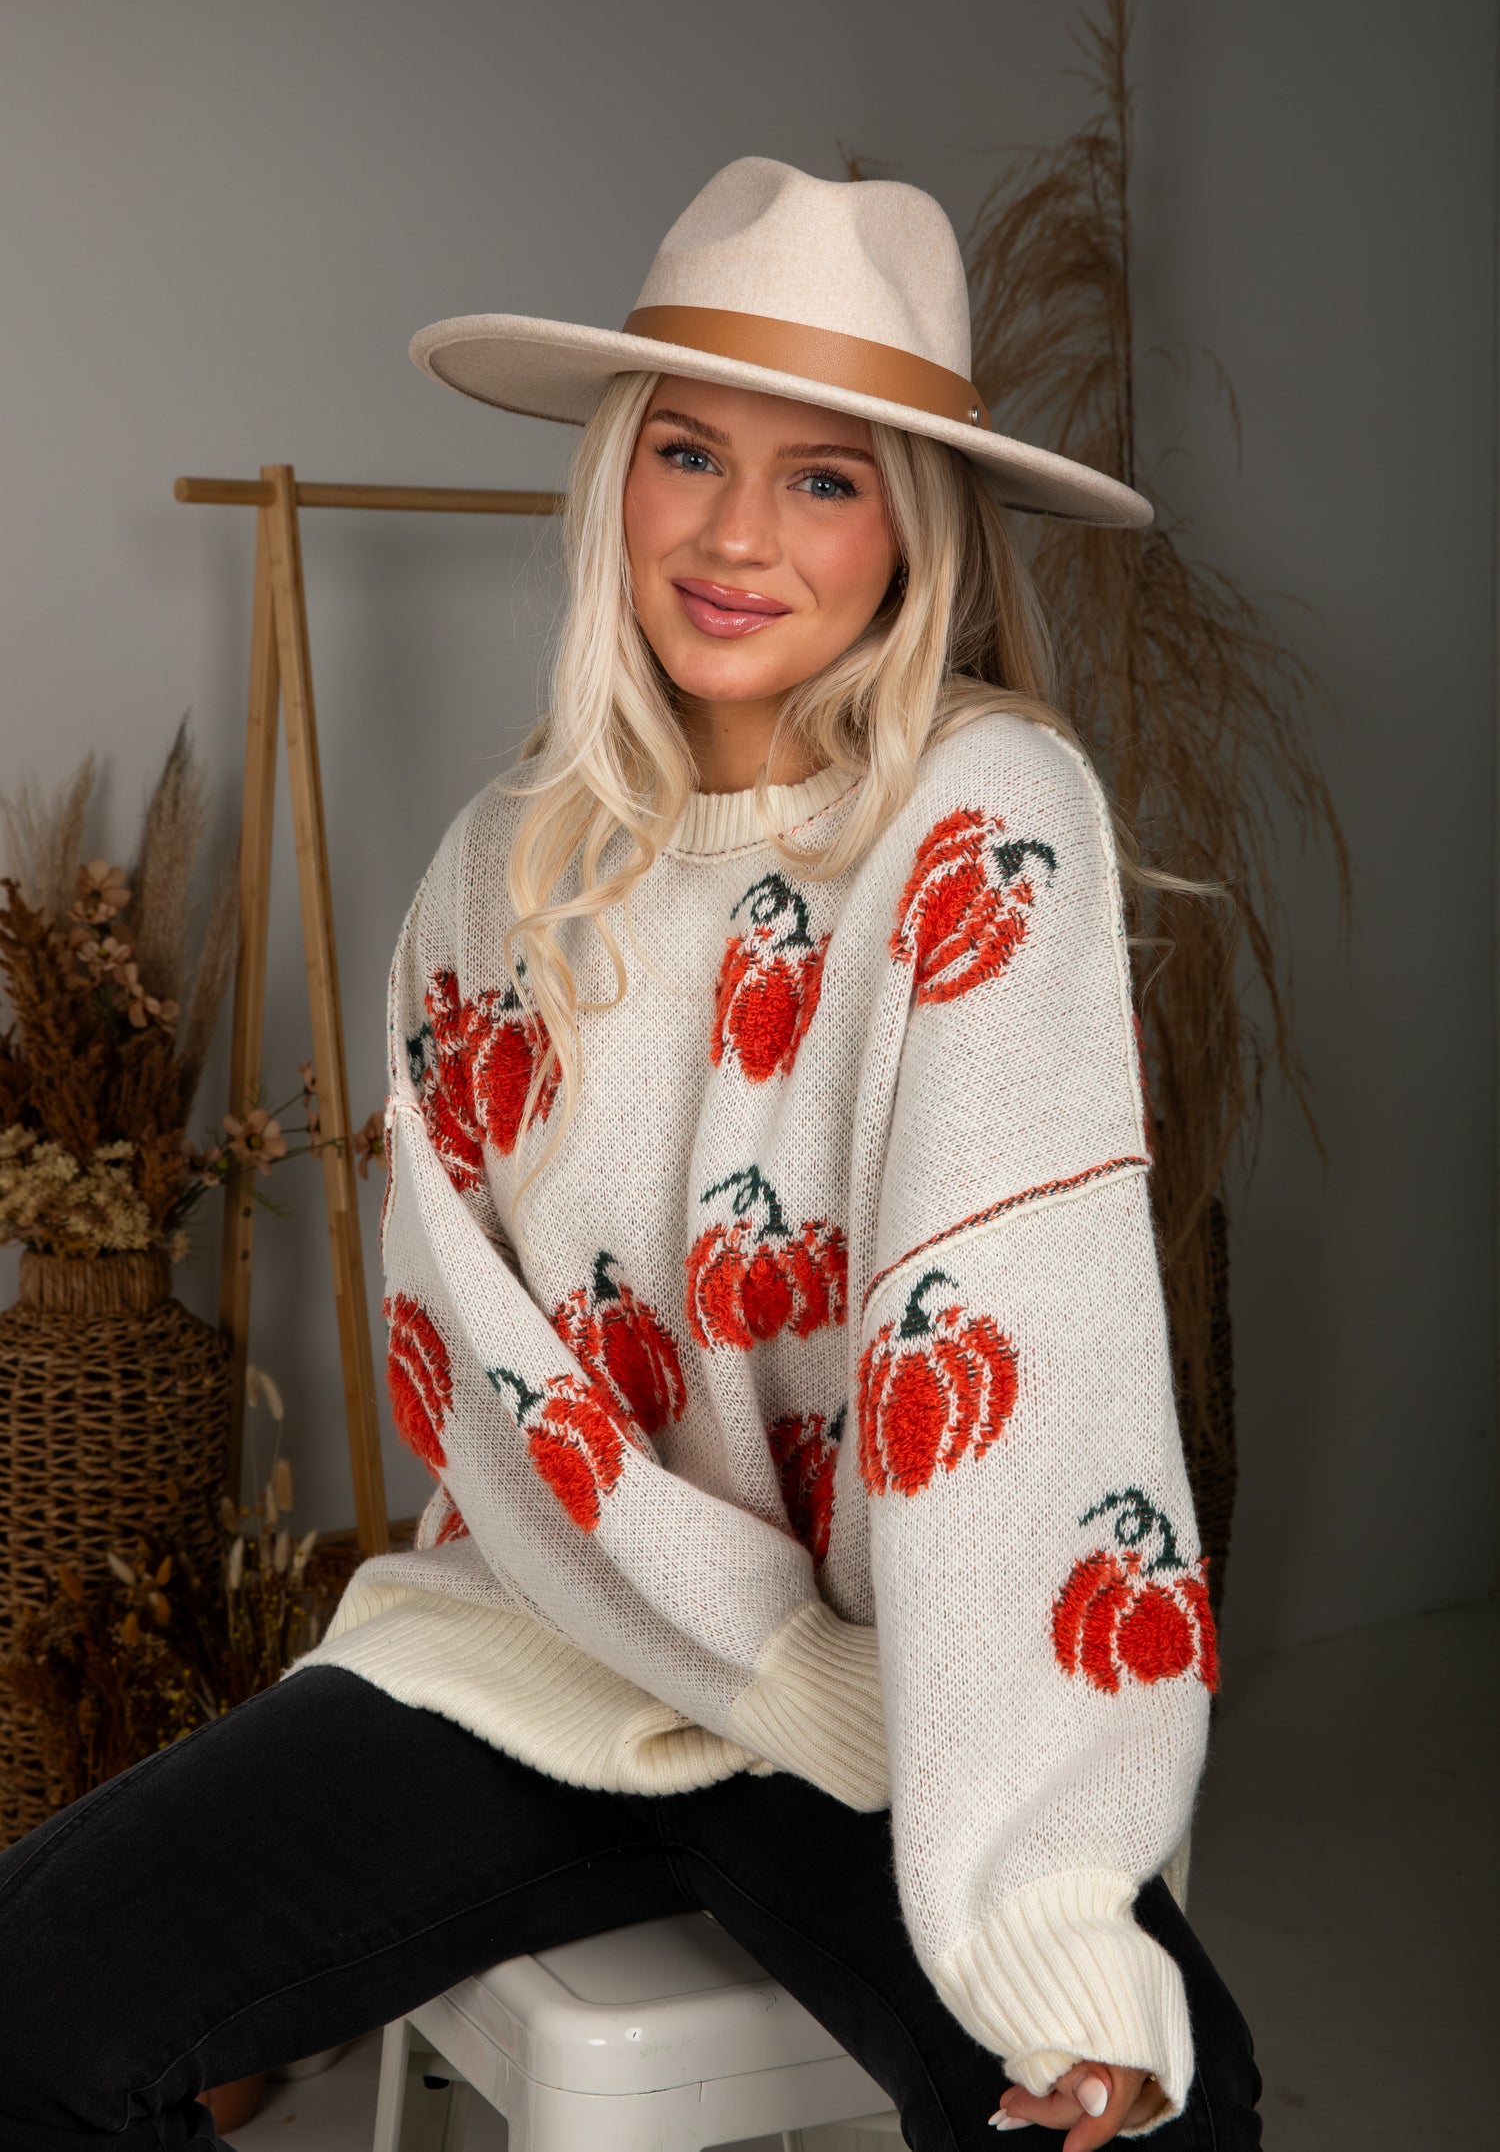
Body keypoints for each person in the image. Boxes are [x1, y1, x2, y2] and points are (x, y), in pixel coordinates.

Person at [0, 158, 1260, 2151]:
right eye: (689, 452)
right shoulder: (500, 866)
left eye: (827, 477)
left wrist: (1040, 1922)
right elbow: (489, 1387)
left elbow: (1033, 1412)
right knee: (30, 1997)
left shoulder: (987, 824)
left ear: (912, 534)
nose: (740, 532)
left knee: (1164, 2126)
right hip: (541, 1630)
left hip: (891, 1700)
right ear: (617, 481)